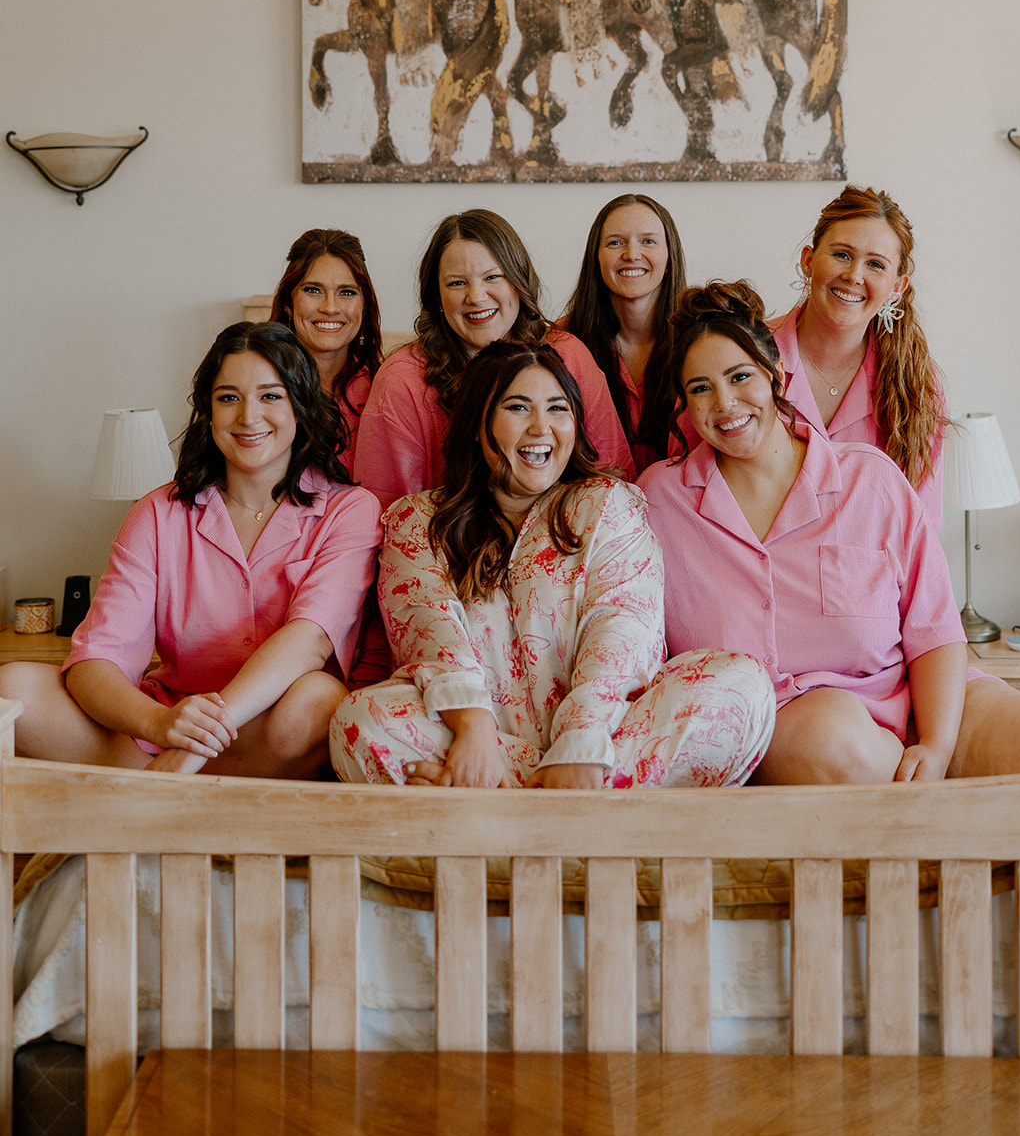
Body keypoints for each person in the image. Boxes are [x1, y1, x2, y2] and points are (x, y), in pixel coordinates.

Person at [640, 282, 1020, 783]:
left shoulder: (871, 479)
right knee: (835, 741)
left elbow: (934, 628)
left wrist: (935, 743)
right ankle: (942, 832)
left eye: (740, 377)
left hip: (917, 702)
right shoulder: (659, 501)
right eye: (701, 388)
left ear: (776, 373)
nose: (725, 403)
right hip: (794, 727)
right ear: (685, 403)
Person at [332, 341, 773, 788]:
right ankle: (583, 815)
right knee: (361, 720)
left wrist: (580, 746)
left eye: (557, 408)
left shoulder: (609, 504)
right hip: (476, 741)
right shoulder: (416, 521)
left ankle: (508, 804)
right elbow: (430, 631)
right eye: (518, 408)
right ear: (477, 421)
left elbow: (621, 627)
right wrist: (474, 730)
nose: (541, 428)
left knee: (741, 685)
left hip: (606, 739)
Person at [0, 323, 381, 777]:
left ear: (300, 405)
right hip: (162, 730)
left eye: (270, 396)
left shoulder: (350, 509)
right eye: (228, 397)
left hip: (268, 735)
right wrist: (161, 724)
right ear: (208, 410)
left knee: (318, 699)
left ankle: (153, 793)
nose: (248, 416)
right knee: (15, 688)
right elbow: (96, 658)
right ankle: (184, 800)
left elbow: (309, 641)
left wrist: (195, 747)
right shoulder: (157, 512)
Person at [353, 208, 635, 510]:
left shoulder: (569, 356)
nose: (476, 297)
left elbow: (613, 477)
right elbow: (388, 511)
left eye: (493, 277)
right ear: (435, 296)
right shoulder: (403, 380)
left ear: (518, 282)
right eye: (456, 283)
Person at [770, 185, 946, 527]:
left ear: (898, 286)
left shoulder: (917, 385)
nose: (854, 275)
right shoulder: (742, 355)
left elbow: (918, 531)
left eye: (876, 264)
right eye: (841, 255)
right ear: (808, 260)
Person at [559, 194, 686, 474]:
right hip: (592, 509)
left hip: (682, 509)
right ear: (597, 258)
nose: (631, 254)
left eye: (648, 241)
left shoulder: (700, 339)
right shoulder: (561, 343)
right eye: (615, 242)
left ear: (669, 258)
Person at [270, 228, 383, 476]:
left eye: (346, 292)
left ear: (364, 308)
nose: (330, 307)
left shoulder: (384, 389)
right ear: (289, 303)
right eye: (313, 290)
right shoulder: (260, 384)